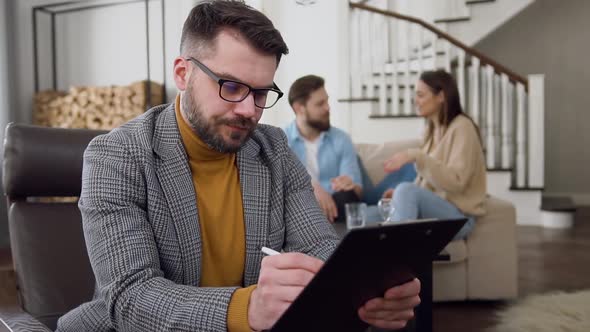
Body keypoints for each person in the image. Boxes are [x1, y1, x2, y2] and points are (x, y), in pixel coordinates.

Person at [56, 1, 420, 331]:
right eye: (230, 87)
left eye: (261, 93)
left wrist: (365, 290)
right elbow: (130, 298)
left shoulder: (273, 148)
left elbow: (318, 248)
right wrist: (247, 308)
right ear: (183, 74)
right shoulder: (115, 156)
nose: (249, 110)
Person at [383, 69, 486, 240]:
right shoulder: (430, 132)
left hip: (459, 217)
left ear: (441, 96)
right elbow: (427, 180)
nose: (416, 101)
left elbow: (456, 182)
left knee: (405, 190)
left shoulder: (463, 127)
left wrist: (416, 155)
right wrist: (401, 198)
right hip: (437, 208)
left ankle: (396, 261)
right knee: (368, 213)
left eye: (421, 95)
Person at [284, 75, 363, 223]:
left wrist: (348, 184)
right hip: (298, 207)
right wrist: (312, 188)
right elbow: (281, 186)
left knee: (347, 197)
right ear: (299, 108)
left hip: (336, 207)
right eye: (320, 104)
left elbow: (356, 191)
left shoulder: (342, 139)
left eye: (327, 101)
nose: (328, 108)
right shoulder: (281, 141)